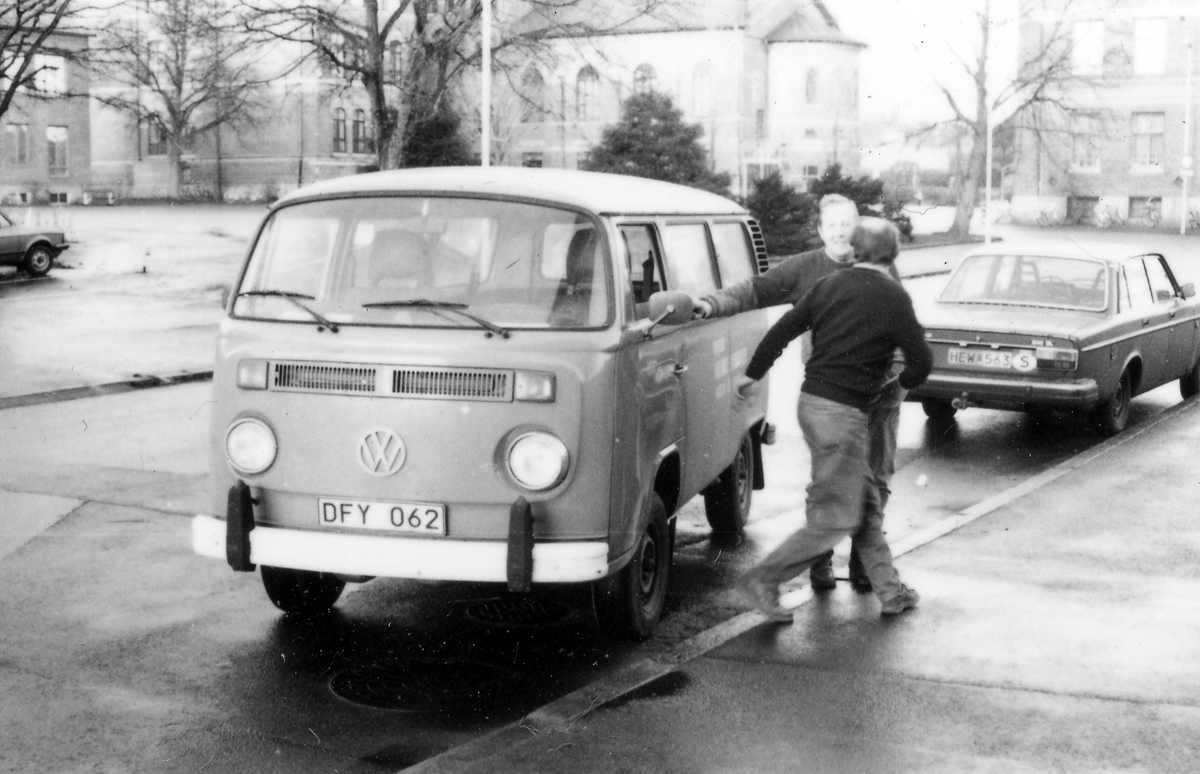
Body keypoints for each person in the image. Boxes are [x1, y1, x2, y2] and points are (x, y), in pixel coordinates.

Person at [694, 194, 900, 592]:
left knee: (878, 480)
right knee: (828, 485)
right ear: (821, 231)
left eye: (848, 224)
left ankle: (862, 565)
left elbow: (904, 329)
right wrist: (709, 304)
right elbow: (754, 291)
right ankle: (820, 561)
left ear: (859, 229)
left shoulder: (884, 269)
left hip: (882, 399)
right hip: (836, 399)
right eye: (832, 225)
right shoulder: (806, 269)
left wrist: (900, 377)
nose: (841, 231)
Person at [732, 218, 931, 620]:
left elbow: (782, 331)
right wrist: (896, 386)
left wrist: (752, 374)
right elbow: (921, 361)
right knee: (835, 518)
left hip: (811, 405)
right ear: (893, 254)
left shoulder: (827, 285)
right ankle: (764, 580)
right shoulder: (894, 297)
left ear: (855, 250)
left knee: (864, 501)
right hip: (843, 417)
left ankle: (891, 591)